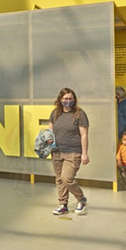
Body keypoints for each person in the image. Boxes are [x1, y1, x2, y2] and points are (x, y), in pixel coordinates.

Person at [49, 87, 90, 216]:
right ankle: (63, 205)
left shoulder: (79, 114)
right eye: (65, 99)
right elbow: (50, 131)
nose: (68, 101)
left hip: (73, 152)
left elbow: (84, 135)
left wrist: (84, 153)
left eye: (71, 98)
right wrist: (48, 140)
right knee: (59, 179)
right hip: (56, 151)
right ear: (60, 100)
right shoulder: (55, 113)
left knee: (67, 178)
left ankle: (81, 199)